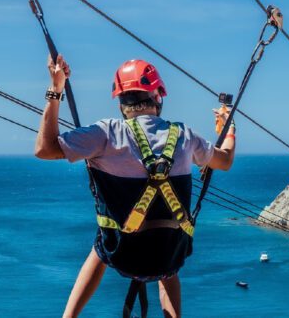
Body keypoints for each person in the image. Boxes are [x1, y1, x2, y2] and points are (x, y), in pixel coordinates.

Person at [35, 55, 236, 318]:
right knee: (169, 263)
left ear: (121, 102)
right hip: (168, 255)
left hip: (121, 254)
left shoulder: (106, 134)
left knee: (100, 245)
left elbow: (44, 148)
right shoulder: (185, 136)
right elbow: (225, 160)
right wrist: (230, 127)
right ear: (158, 97)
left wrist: (56, 88)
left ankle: (68, 316)